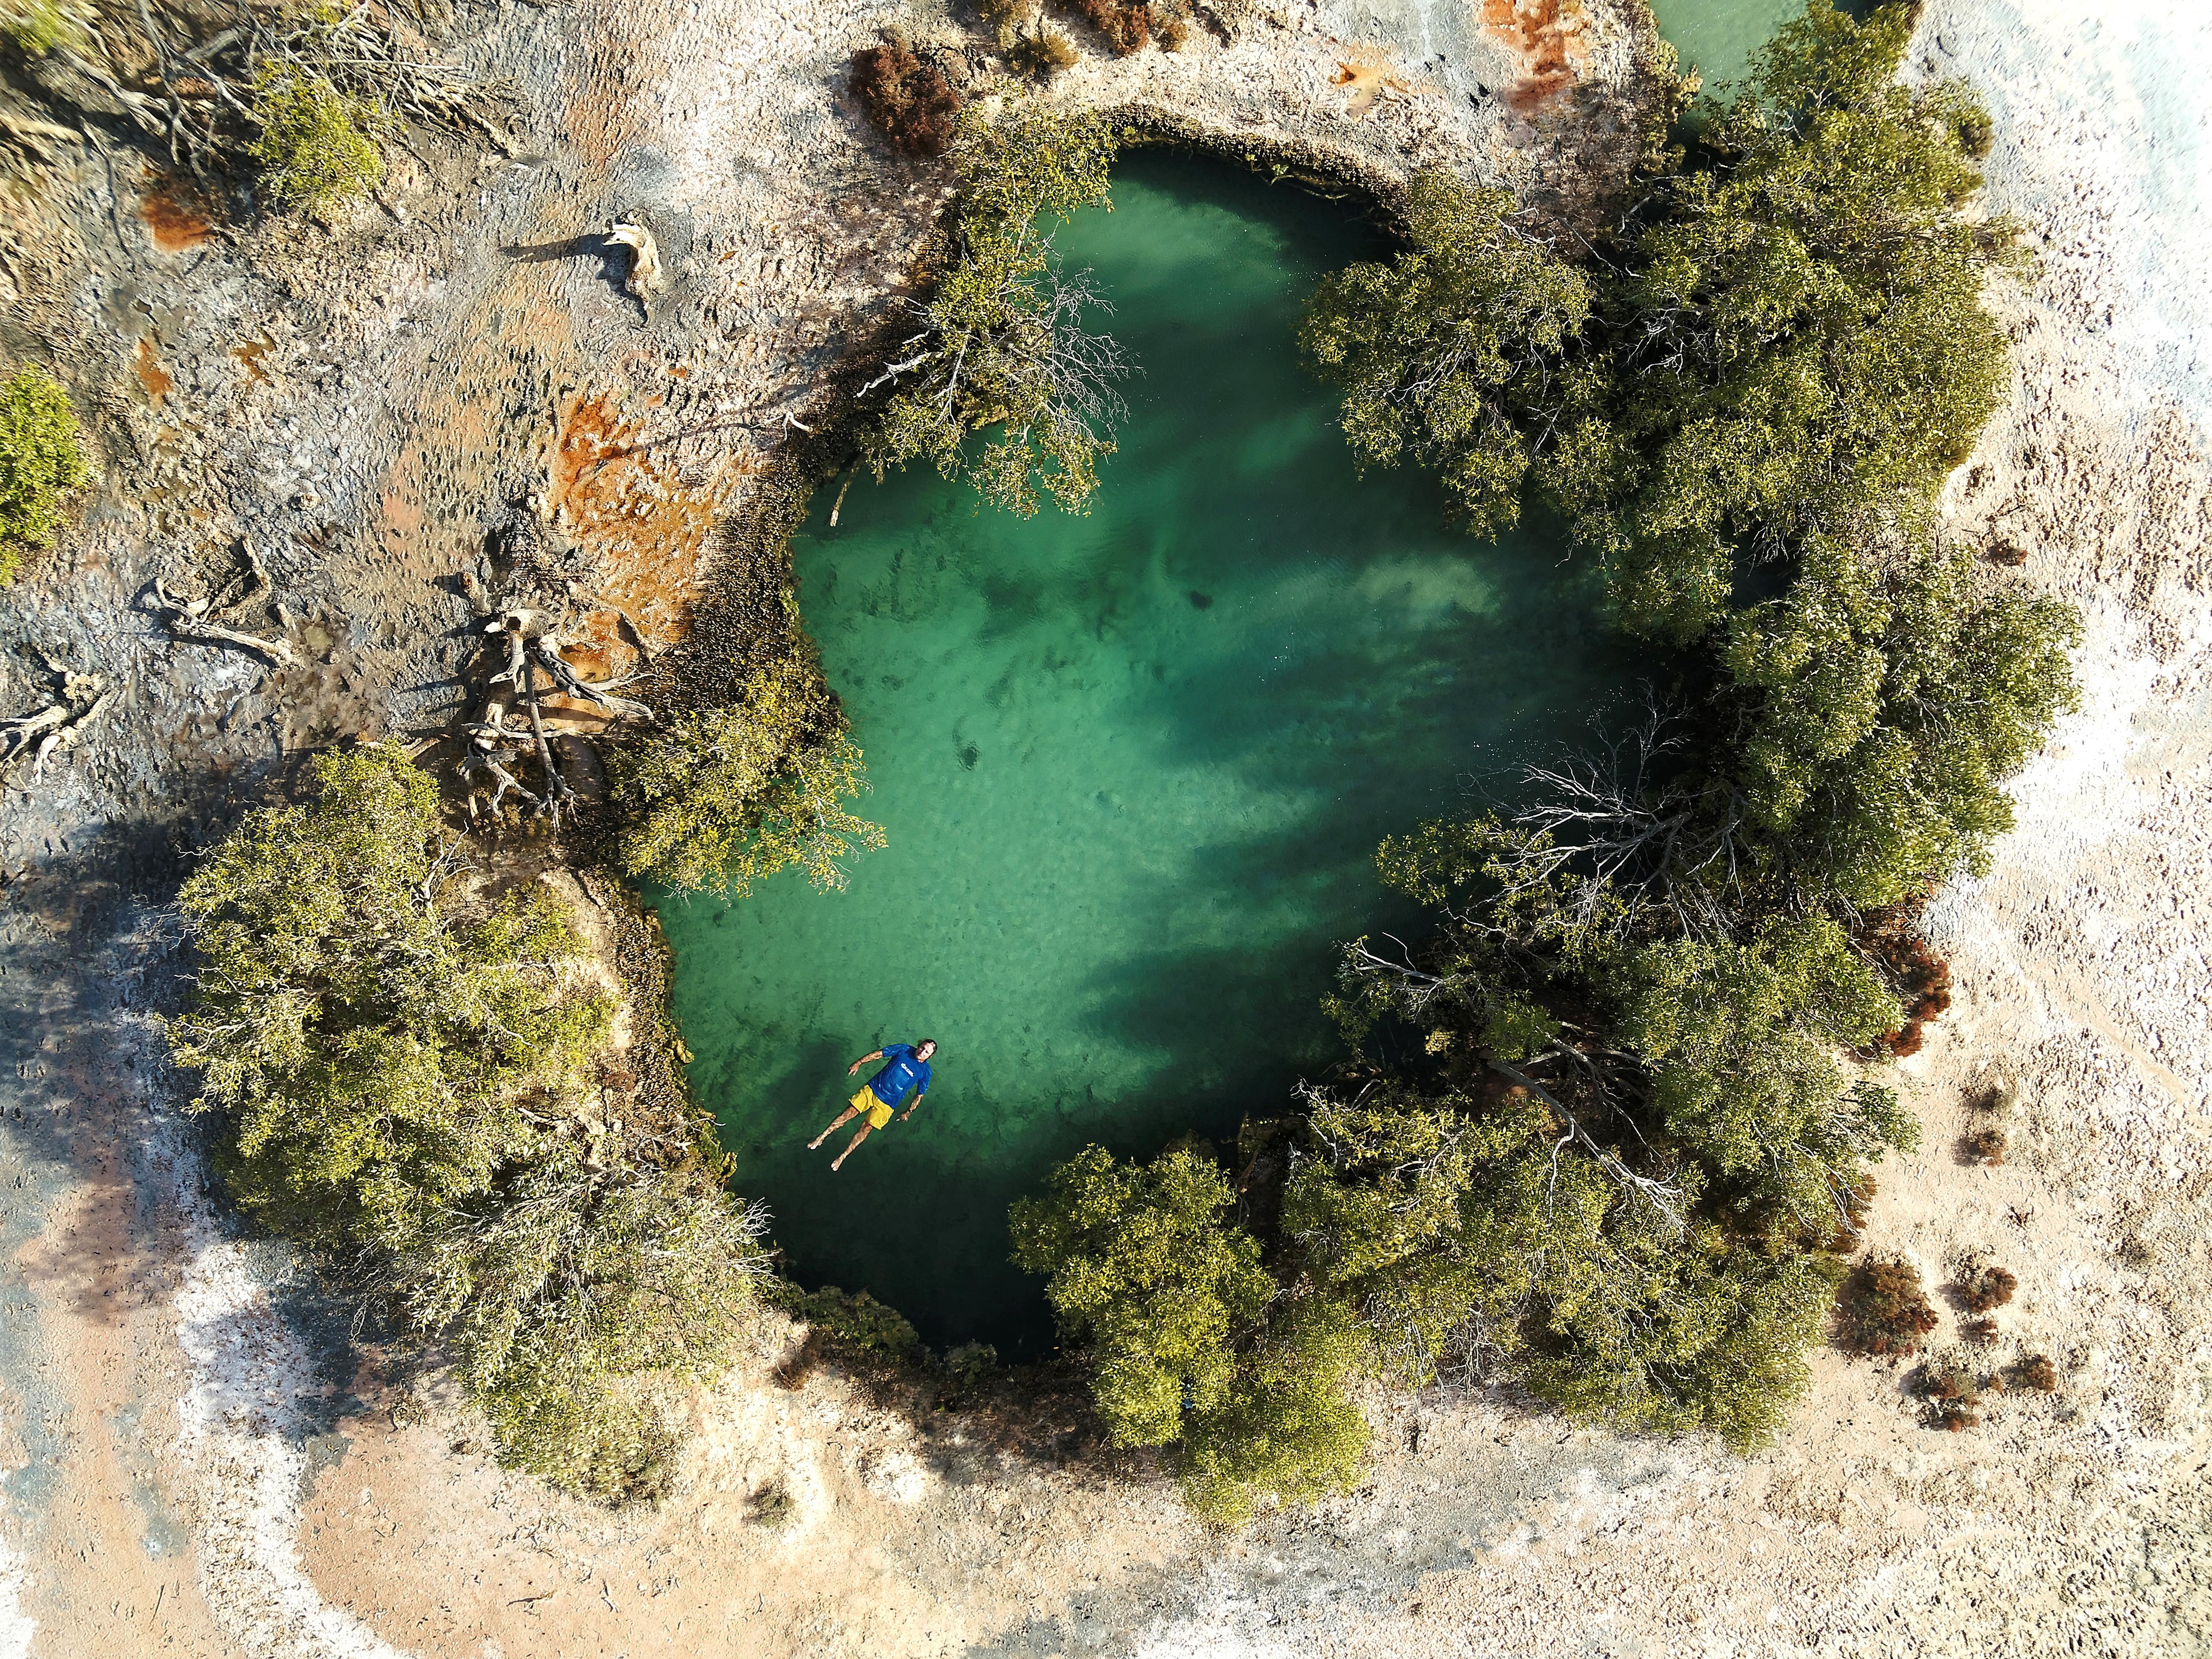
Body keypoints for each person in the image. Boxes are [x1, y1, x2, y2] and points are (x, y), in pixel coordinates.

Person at [807, 1039, 937, 1171]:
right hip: (873, 1089)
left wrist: (908, 1112)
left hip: (888, 1104)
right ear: (919, 1045)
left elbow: (919, 1095)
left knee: (866, 1128)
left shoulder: (926, 1073)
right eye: (922, 1047)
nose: (922, 1052)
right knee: (848, 1113)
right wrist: (859, 1063)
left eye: (927, 1052)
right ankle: (821, 1137)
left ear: (930, 1056)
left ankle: (843, 1156)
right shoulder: (904, 1050)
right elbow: (879, 1054)